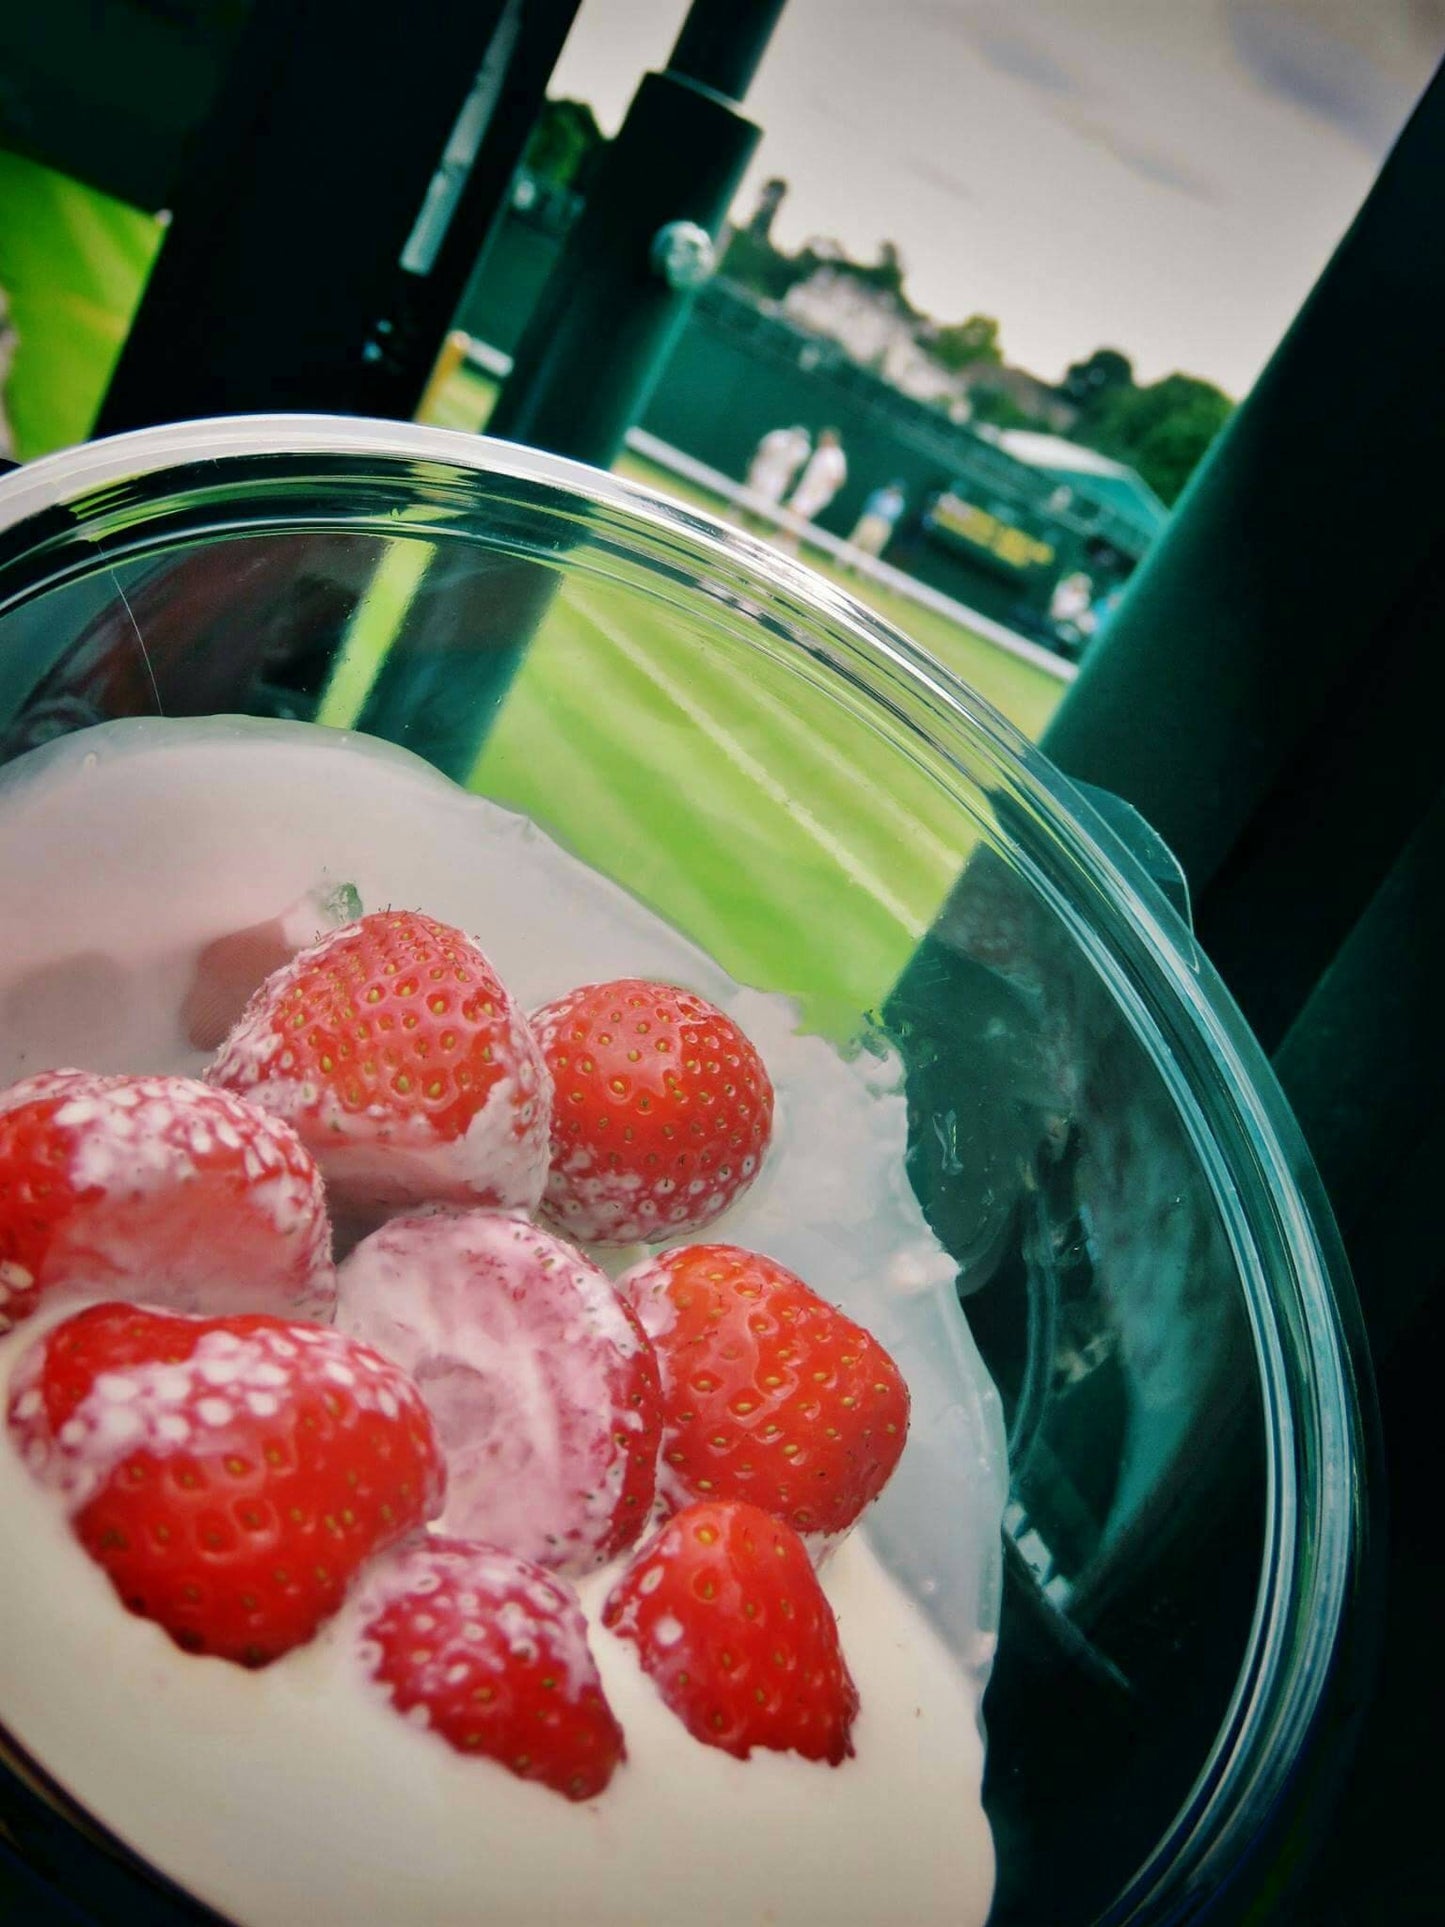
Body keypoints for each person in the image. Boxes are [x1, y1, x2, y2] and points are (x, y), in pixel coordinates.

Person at [779, 428, 847, 551]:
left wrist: (822, 491)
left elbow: (838, 479)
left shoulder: (836, 456)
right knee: (793, 514)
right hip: (806, 491)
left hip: (816, 495)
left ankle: (790, 544)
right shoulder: (821, 452)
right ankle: (784, 540)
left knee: (798, 516)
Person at [744, 423, 811, 520]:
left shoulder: (803, 450)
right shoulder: (777, 437)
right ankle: (736, 512)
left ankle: (753, 519)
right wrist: (754, 467)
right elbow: (762, 452)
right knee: (751, 490)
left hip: (779, 476)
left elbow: (792, 468)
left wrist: (788, 480)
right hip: (764, 467)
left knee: (768, 499)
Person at [846, 479, 907, 565]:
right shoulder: (879, 494)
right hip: (870, 519)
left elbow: (894, 516)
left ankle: (862, 569)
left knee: (873, 548)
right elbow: (869, 505)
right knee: (857, 540)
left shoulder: (900, 502)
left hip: (883, 525)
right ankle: (844, 560)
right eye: (893, 487)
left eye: (897, 489)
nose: (895, 490)